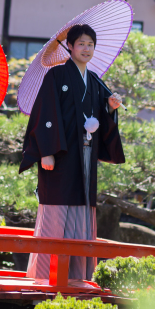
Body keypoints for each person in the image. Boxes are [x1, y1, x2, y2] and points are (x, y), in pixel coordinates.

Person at [20, 24, 125, 282]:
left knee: (82, 214)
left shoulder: (96, 80)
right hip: (60, 156)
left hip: (86, 156)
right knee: (55, 214)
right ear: (69, 46)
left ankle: (78, 277)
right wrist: (46, 151)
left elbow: (100, 118)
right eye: (81, 44)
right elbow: (45, 114)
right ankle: (44, 277)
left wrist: (110, 109)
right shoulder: (56, 76)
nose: (86, 48)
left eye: (90, 44)